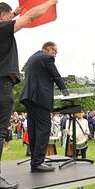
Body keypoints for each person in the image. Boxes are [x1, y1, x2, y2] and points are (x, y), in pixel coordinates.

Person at [0, 0, 57, 189]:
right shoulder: (1, 28)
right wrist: (49, 3)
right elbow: (29, 18)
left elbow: (7, 21)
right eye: (9, 17)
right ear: (2, 17)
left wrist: (14, 13)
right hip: (0, 86)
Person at [20, 41, 69, 172]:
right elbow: (56, 76)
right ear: (49, 48)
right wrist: (66, 92)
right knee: (43, 129)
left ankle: (35, 161)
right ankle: (38, 162)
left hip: (29, 98)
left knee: (34, 130)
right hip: (40, 98)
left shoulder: (32, 58)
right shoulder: (47, 57)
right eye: (55, 51)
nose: (56, 55)